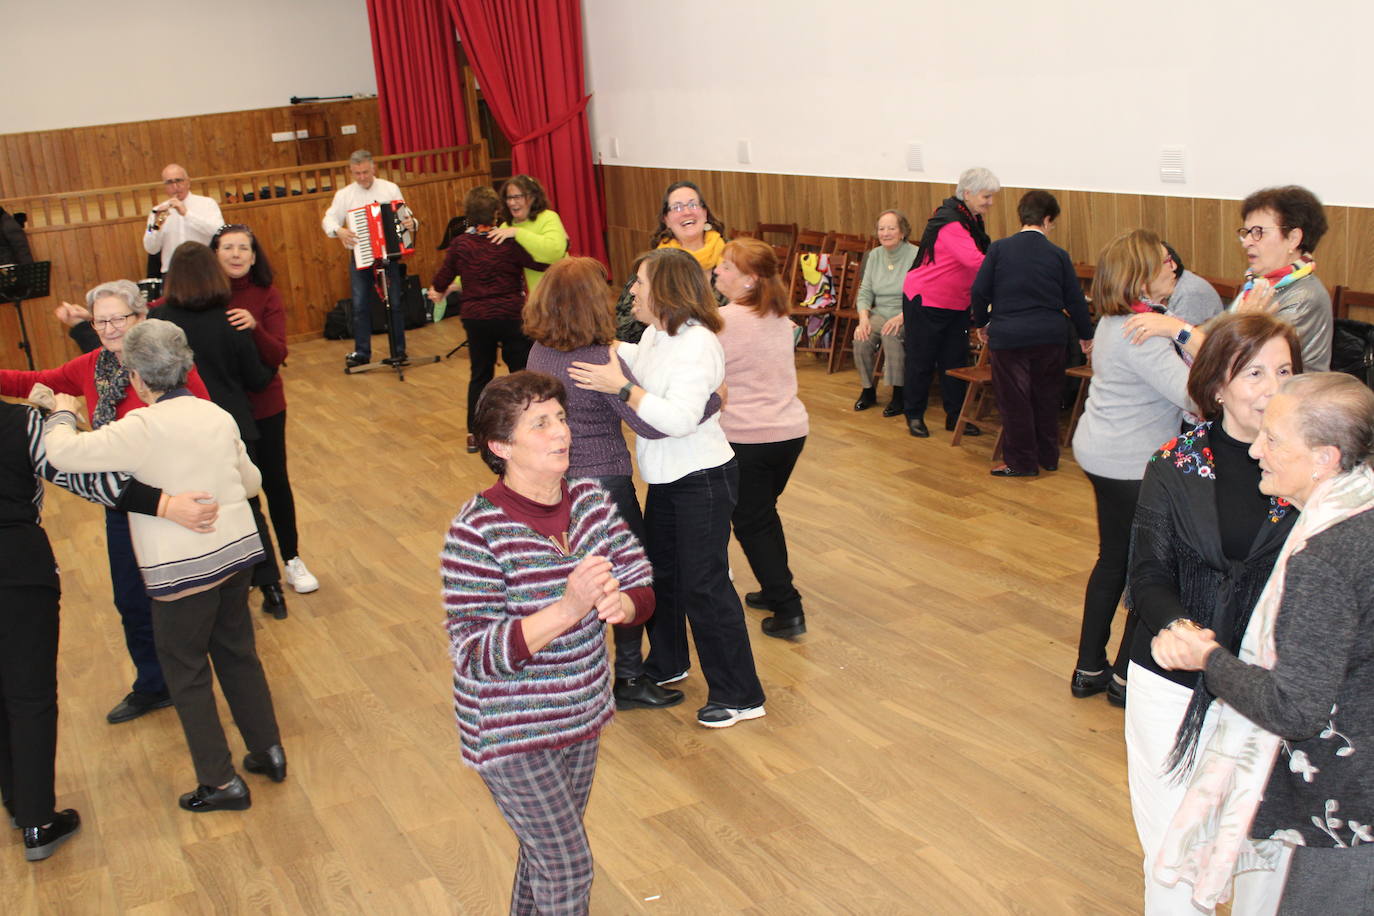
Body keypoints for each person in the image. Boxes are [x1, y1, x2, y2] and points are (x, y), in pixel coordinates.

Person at [1151, 373, 1374, 914]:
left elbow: (1293, 708)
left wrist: (1207, 658)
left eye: (1273, 439)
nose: (1256, 450)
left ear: (1324, 458)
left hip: (1348, 809)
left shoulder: (1325, 555)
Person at [44, 319, 287, 814]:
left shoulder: (138, 427)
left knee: (186, 669)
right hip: (237, 553)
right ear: (186, 365)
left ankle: (220, 783)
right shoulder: (214, 414)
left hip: (182, 570)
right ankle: (268, 750)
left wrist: (61, 414)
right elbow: (252, 480)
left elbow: (62, 454)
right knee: (238, 652)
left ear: (135, 377)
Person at [442, 370, 652, 913]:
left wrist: (621, 604)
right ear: (500, 446)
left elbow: (640, 585)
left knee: (548, 856)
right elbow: (473, 653)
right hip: (511, 729)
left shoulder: (590, 501)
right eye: (539, 424)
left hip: (581, 715)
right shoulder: (476, 531)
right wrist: (567, 608)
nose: (560, 431)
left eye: (559, 418)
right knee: (568, 864)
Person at [1122, 313, 1302, 913]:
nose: (1271, 386)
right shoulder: (1173, 464)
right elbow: (1146, 573)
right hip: (1173, 682)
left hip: (1267, 690)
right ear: (1217, 385)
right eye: (1253, 372)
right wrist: (1178, 627)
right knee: (1175, 855)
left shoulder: (1310, 473)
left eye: (1284, 371)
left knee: (1264, 853)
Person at [2, 384, 216, 860]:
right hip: (17, 570)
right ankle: (37, 821)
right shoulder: (20, 424)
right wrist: (165, 504)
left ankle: (18, 802)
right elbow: (90, 478)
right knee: (29, 694)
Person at [0, 280, 216, 724]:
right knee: (131, 601)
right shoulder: (89, 366)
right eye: (102, 321)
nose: (111, 329)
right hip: (122, 504)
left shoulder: (170, 366)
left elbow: (204, 422)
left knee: (184, 601)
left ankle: (195, 682)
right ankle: (154, 685)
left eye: (120, 318)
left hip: (175, 502)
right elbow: (31, 381)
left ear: (142, 319)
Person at [568, 248, 766, 728]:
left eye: (639, 282)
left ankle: (740, 695)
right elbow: (638, 357)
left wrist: (622, 389)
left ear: (665, 290)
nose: (632, 290)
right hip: (668, 480)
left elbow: (675, 420)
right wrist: (597, 346)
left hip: (703, 479)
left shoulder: (698, 344)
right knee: (664, 576)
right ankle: (669, 662)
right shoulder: (659, 333)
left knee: (705, 585)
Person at [525, 256, 717, 712]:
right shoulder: (598, 360)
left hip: (558, 486)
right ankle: (629, 678)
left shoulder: (538, 353)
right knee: (629, 582)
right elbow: (650, 426)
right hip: (604, 486)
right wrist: (712, 403)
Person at [1070, 229, 1192, 705]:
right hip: (1129, 464)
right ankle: (1124, 679)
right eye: (1165, 263)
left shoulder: (1116, 321)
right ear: (1140, 276)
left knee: (1113, 559)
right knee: (1150, 570)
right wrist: (1187, 333)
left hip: (1101, 451)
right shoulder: (1143, 333)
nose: (1174, 267)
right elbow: (1196, 396)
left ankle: (1089, 668)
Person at [156, 242, 285, 618]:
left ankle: (208, 589)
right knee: (247, 507)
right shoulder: (229, 319)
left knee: (192, 508)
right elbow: (259, 379)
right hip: (233, 428)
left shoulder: (162, 323)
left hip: (181, 432)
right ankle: (271, 588)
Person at [211, 224, 319, 595]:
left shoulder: (266, 294)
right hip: (224, 410)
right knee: (239, 490)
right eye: (228, 247)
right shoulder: (204, 297)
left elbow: (278, 353)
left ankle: (291, 559)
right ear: (215, 255)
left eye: (244, 248)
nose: (237, 254)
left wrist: (254, 326)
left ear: (254, 256)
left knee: (275, 482)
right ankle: (256, 569)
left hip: (267, 405)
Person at [714, 239, 810, 637]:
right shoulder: (780, 317)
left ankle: (788, 610)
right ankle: (775, 591)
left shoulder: (721, 321)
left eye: (726, 267)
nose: (718, 271)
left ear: (750, 280)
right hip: (790, 433)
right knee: (763, 515)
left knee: (753, 522)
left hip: (749, 438)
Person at [970, 190, 1094, 477]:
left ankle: (1022, 462)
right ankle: (1048, 457)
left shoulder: (999, 249)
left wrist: (982, 322)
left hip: (1009, 336)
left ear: (1022, 217)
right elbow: (1074, 300)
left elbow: (979, 290)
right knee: (1047, 398)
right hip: (1050, 336)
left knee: (1015, 401)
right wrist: (1086, 335)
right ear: (1047, 220)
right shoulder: (1058, 255)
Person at [428, 185, 541, 455]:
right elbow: (538, 263)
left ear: (468, 214)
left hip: (476, 318)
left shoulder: (460, 245)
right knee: (521, 373)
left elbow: (441, 279)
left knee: (480, 374)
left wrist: (437, 290)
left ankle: (474, 435)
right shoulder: (506, 242)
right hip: (510, 315)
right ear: (495, 213)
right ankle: (529, 426)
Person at [901, 166, 1001, 438]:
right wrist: (1009, 267)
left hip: (956, 302)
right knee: (921, 360)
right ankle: (914, 415)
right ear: (967, 193)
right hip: (927, 300)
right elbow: (977, 262)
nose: (990, 202)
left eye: (992, 196)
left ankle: (955, 417)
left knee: (954, 362)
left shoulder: (971, 218)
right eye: (986, 196)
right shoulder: (952, 223)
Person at [321, 150, 417, 369]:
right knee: (360, 304)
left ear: (373, 168)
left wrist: (411, 222)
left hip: (388, 256)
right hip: (360, 256)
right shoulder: (344, 194)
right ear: (351, 172)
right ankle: (362, 352)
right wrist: (339, 231)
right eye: (357, 173)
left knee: (395, 303)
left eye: (365, 172)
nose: (362, 177)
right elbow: (328, 219)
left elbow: (405, 214)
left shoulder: (389, 188)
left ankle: (398, 351)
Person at [1231, 186, 1334, 371]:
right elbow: (1213, 336)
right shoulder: (1258, 284)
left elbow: (1252, 362)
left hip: (1291, 395)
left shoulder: (1305, 296)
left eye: (1258, 232)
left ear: (1293, 238)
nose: (1247, 242)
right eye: (1246, 233)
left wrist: (1244, 321)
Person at [615, 180, 729, 343]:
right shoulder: (653, 265)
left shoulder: (731, 257)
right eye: (677, 207)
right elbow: (625, 328)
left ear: (705, 212)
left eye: (693, 204)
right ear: (666, 219)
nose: (686, 212)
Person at [853, 210, 918, 416]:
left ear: (902, 232)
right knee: (861, 337)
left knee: (891, 334)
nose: (885, 233)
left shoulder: (915, 254)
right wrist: (863, 319)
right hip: (880, 311)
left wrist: (902, 316)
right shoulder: (874, 255)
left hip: (907, 313)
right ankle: (868, 389)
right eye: (881, 229)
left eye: (891, 228)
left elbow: (921, 294)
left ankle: (899, 394)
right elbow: (865, 292)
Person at [490, 174, 568, 294]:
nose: (511, 202)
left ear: (532, 197)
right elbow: (487, 258)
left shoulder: (548, 217)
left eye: (517, 197)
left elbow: (554, 252)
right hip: (525, 300)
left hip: (560, 291)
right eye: (508, 198)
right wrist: (458, 282)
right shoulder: (505, 228)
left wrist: (517, 233)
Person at [142, 164, 224, 275]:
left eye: (179, 181)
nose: (175, 187)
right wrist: (156, 226)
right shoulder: (157, 211)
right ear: (165, 187)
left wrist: (186, 213)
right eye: (169, 183)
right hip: (172, 273)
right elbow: (151, 248)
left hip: (204, 269)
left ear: (188, 182)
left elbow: (219, 232)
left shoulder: (207, 204)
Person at [1161, 243, 1224, 328]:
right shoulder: (1147, 299)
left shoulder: (1188, 292)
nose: (1173, 266)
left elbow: (1184, 338)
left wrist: (1172, 330)